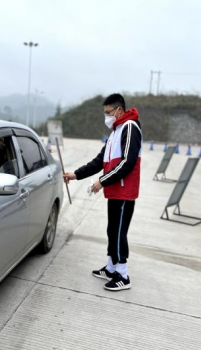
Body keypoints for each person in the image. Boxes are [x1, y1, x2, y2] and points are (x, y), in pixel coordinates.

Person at [63, 93, 142, 291]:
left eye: (108, 112)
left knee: (119, 233)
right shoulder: (116, 131)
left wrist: (102, 181)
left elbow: (127, 162)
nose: (106, 116)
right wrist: (76, 174)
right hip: (115, 190)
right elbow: (100, 161)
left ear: (119, 110)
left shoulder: (130, 127)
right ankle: (111, 267)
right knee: (112, 230)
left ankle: (123, 275)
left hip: (124, 191)